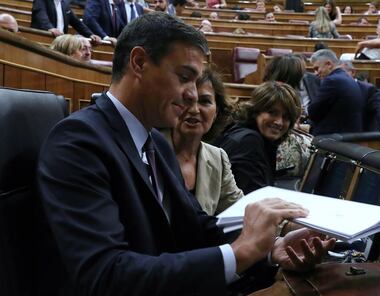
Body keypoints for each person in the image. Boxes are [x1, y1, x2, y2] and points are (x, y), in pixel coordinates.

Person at [37, 12, 334, 295]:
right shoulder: (77, 141)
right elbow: (106, 276)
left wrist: (270, 248)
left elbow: (195, 228)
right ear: (139, 62)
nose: (193, 94)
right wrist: (239, 253)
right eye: (184, 77)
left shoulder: (155, 142)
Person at [165, 69, 243, 215]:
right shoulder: (148, 149)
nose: (194, 110)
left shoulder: (217, 158)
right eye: (187, 100)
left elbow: (239, 211)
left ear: (216, 113)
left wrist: (285, 226)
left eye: (205, 101)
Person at [216, 82, 302, 193]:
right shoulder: (249, 141)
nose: (279, 122)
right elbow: (253, 196)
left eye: (286, 117)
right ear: (256, 111)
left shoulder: (244, 131)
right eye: (272, 113)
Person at [308, 49, 365, 136]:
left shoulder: (331, 80)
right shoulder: (348, 78)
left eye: (317, 68)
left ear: (329, 64)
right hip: (349, 137)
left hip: (332, 140)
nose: (315, 73)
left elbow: (313, 112)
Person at [340, 61, 380, 138]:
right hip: (337, 136)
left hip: (362, 137)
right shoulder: (332, 88)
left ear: (353, 72)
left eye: (341, 73)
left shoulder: (368, 89)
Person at [31, 0, 101, 43]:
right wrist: (50, 28)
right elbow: (41, 16)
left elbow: (77, 23)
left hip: (61, 43)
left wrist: (90, 34)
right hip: (44, 39)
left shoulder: (64, 3)